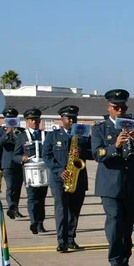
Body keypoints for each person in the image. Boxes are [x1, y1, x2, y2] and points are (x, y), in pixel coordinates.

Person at [91, 88, 134, 266]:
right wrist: (114, 146)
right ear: (109, 108)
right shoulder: (100, 128)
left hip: (131, 183)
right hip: (110, 184)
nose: (120, 111)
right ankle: (115, 261)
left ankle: (125, 260)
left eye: (123, 107)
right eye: (116, 108)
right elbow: (97, 154)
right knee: (115, 222)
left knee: (127, 225)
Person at [43, 105, 88, 252]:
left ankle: (71, 238)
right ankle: (61, 241)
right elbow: (47, 156)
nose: (71, 120)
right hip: (59, 178)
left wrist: (83, 152)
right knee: (61, 209)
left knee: (75, 210)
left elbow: (94, 153)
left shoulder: (83, 135)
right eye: (68, 118)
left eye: (73, 118)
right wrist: (59, 170)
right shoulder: (53, 135)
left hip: (78, 177)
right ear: (62, 119)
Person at [0, 107, 27, 219]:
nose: (11, 120)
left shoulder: (22, 131)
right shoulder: (1, 130)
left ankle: (16, 208)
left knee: (18, 187)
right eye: (8, 118)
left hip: (19, 163)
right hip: (8, 163)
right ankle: (11, 208)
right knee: (10, 187)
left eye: (13, 118)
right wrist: (7, 134)